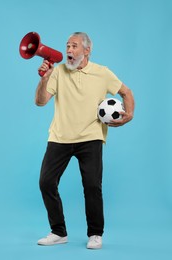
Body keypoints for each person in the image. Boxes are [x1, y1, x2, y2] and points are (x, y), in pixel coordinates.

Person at [35, 32, 135, 249]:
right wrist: (44, 80)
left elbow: (126, 92)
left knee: (92, 185)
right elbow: (40, 102)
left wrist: (129, 115)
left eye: (74, 46)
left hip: (91, 137)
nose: (69, 50)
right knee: (46, 183)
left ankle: (95, 234)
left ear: (87, 50)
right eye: (67, 46)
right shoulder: (58, 71)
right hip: (60, 137)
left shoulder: (102, 73)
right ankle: (58, 232)